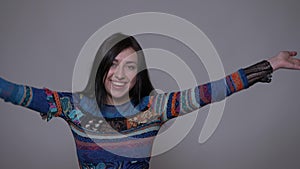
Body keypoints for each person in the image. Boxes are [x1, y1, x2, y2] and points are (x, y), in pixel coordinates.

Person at [0, 33, 299, 169]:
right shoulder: (73, 106)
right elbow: (17, 93)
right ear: (102, 68)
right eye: (113, 64)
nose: (119, 74)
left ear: (138, 73)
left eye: (130, 66)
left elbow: (212, 91)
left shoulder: (155, 107)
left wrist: (270, 64)